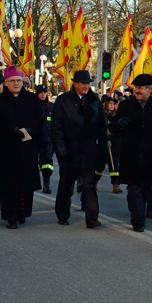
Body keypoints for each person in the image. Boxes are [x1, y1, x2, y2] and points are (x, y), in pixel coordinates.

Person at [109, 73, 152, 232]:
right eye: (136, 87)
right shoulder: (126, 106)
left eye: (141, 88)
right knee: (133, 189)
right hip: (131, 154)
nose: (137, 90)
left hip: (151, 155)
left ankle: (146, 211)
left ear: (150, 89)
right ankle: (138, 220)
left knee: (147, 188)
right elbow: (113, 127)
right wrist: (119, 124)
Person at [50, 69, 107, 228]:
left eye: (88, 83)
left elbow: (102, 126)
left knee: (89, 186)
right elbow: (57, 129)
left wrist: (103, 148)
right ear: (74, 83)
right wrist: (61, 151)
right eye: (83, 83)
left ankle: (92, 219)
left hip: (89, 152)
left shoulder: (94, 100)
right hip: (70, 151)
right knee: (66, 185)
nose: (86, 86)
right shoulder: (63, 101)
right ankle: (62, 214)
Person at [0, 66, 45, 228]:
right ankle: (11, 216)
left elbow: (39, 120)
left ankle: (23, 212)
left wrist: (29, 130)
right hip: (8, 148)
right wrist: (11, 130)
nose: (16, 84)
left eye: (19, 81)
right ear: (6, 83)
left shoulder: (31, 99)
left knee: (26, 183)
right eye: (12, 81)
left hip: (28, 147)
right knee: (10, 184)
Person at [98, 97, 122, 194]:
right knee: (100, 165)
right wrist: (105, 139)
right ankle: (94, 181)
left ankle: (115, 184)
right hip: (105, 141)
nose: (112, 105)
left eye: (113, 103)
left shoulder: (116, 116)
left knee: (114, 164)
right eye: (110, 103)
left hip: (115, 141)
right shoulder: (102, 115)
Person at [35, 84, 55, 194]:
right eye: (40, 92)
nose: (43, 94)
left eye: (44, 92)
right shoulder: (33, 106)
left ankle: (46, 184)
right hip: (35, 139)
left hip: (48, 139)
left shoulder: (51, 107)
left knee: (47, 163)